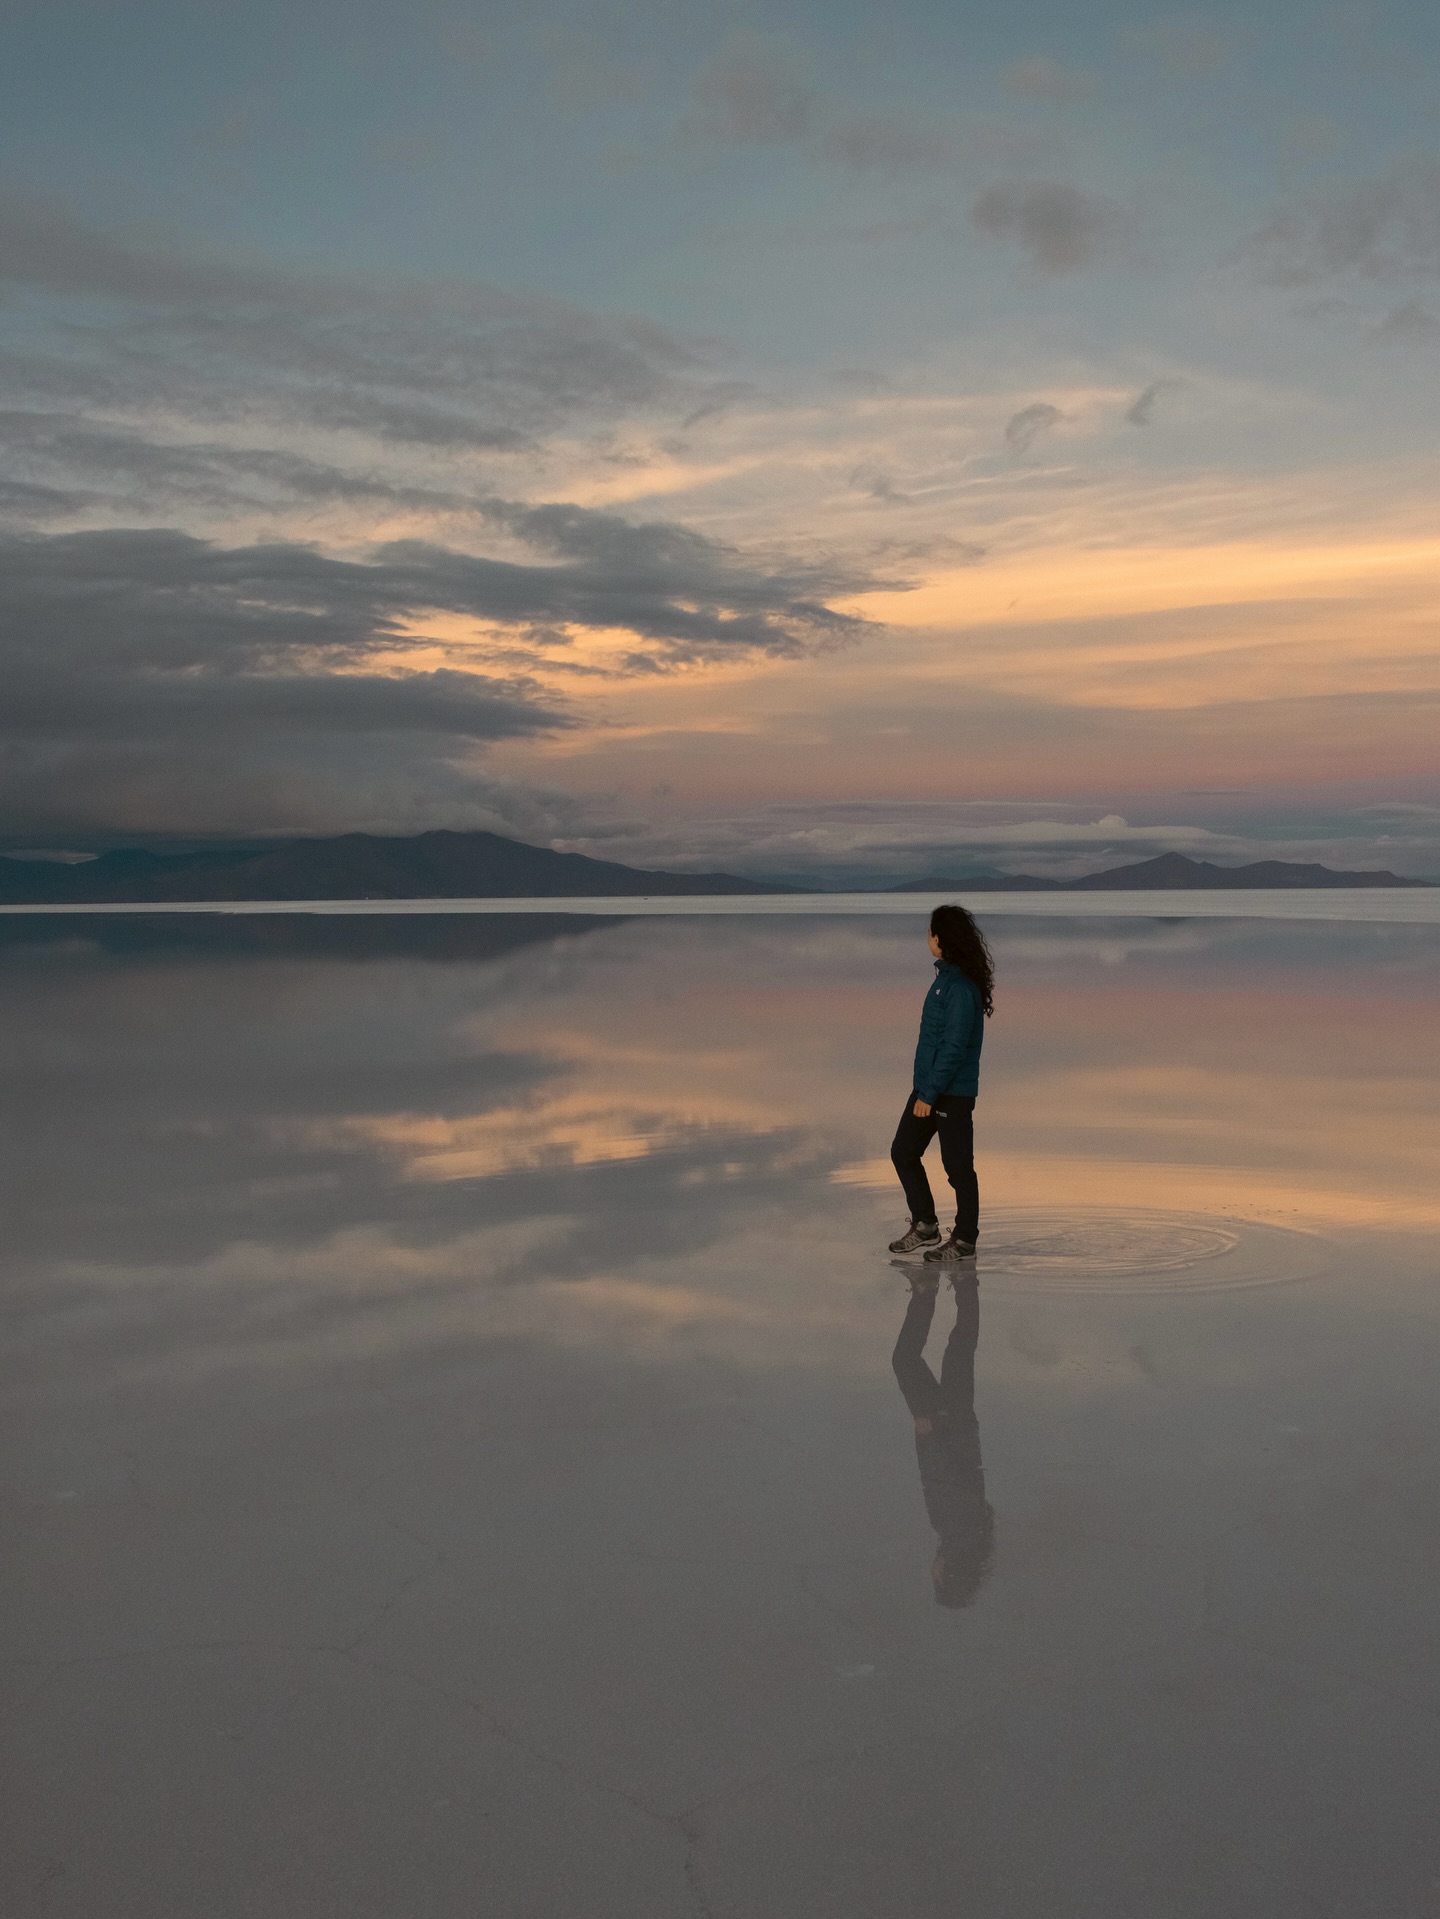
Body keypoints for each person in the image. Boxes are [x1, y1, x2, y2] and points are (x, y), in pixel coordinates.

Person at [888, 903, 994, 1263]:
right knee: (903, 1152)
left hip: (951, 1094)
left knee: (958, 1168)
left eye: (930, 932)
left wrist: (929, 1094)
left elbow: (953, 1048)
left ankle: (965, 1239)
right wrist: (924, 1089)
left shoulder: (960, 989)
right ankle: (926, 1225)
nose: (927, 939)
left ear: (941, 938)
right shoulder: (944, 982)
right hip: (928, 1089)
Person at [891, 1270, 995, 1608]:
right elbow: (941, 1479)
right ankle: (937, 1287)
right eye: (935, 1579)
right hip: (946, 1428)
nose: (930, 1572)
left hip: (961, 1429)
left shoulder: (970, 1538)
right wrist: (927, 1436)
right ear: (944, 1575)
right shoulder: (955, 1531)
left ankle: (946, 1286)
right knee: (910, 1359)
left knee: (957, 1350)